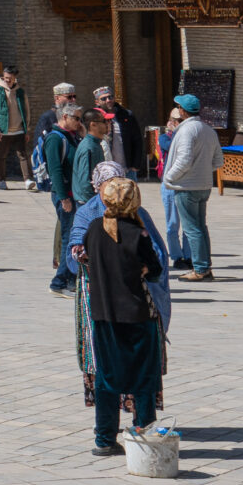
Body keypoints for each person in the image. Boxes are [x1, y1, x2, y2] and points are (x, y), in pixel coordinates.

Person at [76, 176, 166, 455]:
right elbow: (155, 270)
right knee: (144, 379)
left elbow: (91, 259)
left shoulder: (92, 228)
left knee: (106, 378)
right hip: (137, 314)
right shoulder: (138, 234)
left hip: (103, 315)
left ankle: (104, 440)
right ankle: (143, 438)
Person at [159, 94, 220, 280]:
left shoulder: (186, 131)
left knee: (192, 228)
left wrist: (169, 177)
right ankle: (204, 266)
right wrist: (202, 171)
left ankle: (201, 269)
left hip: (186, 186)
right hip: (203, 185)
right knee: (200, 226)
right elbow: (218, 161)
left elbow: (184, 160)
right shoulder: (208, 130)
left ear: (183, 111)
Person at [38, 105, 85, 292]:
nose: (79, 122)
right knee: (68, 237)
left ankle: (68, 278)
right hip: (64, 195)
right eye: (77, 119)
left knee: (71, 236)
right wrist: (64, 197)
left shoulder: (71, 136)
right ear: (65, 117)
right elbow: (55, 169)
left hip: (73, 194)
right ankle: (60, 282)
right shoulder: (55, 139)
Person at [0, 68, 26, 187]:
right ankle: (2, 180)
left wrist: (26, 128)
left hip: (19, 129)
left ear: (15, 78)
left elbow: (26, 111)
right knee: (2, 156)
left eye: (10, 78)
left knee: (23, 155)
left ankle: (27, 179)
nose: (7, 80)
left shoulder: (20, 92)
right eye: (6, 77)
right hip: (4, 130)